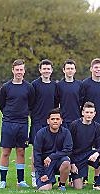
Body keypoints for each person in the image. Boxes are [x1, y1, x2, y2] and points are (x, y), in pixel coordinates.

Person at [0, 59, 35, 189]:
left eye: (21, 70)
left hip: (22, 123)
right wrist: (9, 114)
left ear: (24, 71)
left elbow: (31, 104)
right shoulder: (6, 87)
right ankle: (2, 180)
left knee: (21, 151)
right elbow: (1, 104)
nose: (19, 72)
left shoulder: (29, 87)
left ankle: (21, 180)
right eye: (17, 69)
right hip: (8, 123)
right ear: (13, 70)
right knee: (6, 151)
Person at [69, 102, 100, 190]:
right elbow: (68, 147)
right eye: (87, 112)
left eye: (91, 113)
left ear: (94, 114)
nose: (89, 115)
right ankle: (73, 178)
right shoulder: (74, 125)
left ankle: (97, 183)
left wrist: (96, 153)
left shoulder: (97, 126)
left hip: (89, 154)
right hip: (77, 158)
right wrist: (72, 163)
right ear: (82, 113)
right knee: (78, 188)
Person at [29, 59, 58, 187]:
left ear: (51, 70)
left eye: (48, 69)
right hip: (37, 122)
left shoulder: (54, 86)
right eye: (44, 69)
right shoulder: (34, 85)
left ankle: (48, 174)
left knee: (51, 149)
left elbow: (56, 103)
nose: (46, 71)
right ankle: (34, 176)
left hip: (50, 124)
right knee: (36, 150)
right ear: (40, 70)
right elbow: (30, 103)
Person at [33, 108, 72, 191]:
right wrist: (42, 173)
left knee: (66, 162)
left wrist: (51, 157)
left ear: (61, 121)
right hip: (45, 165)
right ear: (48, 121)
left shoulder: (66, 132)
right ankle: (48, 180)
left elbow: (68, 150)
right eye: (52, 119)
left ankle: (61, 185)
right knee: (45, 188)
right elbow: (37, 154)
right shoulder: (41, 133)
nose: (55, 121)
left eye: (57, 119)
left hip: (58, 162)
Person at [79, 58, 100, 136]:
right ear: (91, 69)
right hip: (87, 122)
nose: (98, 70)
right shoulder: (85, 84)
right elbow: (81, 103)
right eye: (96, 67)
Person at [55, 59, 82, 129]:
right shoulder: (59, 85)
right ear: (64, 70)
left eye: (72, 68)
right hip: (64, 120)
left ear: (75, 70)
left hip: (77, 119)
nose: (70, 70)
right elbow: (56, 103)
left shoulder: (80, 85)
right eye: (68, 68)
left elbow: (82, 102)